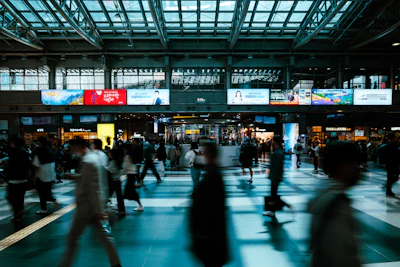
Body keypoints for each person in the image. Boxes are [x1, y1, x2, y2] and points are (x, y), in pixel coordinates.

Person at [59, 137, 121, 267]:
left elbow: (94, 187)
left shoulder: (88, 162)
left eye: (73, 148)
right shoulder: (96, 157)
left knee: (72, 238)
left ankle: (64, 265)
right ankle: (116, 264)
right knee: (106, 237)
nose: (73, 152)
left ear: (78, 147)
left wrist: (99, 210)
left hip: (86, 208)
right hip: (96, 207)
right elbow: (94, 182)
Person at [308, 141, 362, 267]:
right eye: (355, 164)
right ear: (341, 166)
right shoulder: (337, 204)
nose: (358, 170)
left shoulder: (323, 192)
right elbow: (341, 256)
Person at [189, 142, 228, 267]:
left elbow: (213, 207)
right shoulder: (213, 173)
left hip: (209, 235)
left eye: (205, 152)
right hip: (210, 234)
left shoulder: (213, 175)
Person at [263, 135, 292, 218]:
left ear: (275, 142)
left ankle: (283, 206)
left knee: (273, 194)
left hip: (275, 176)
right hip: (276, 176)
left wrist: (273, 174)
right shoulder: (278, 151)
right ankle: (273, 210)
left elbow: (277, 166)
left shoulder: (278, 153)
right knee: (273, 193)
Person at [4, 137, 31, 223]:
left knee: (10, 197)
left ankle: (17, 214)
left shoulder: (12, 153)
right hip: (23, 179)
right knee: (20, 197)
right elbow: (28, 165)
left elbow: (9, 166)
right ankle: (20, 213)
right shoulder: (24, 152)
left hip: (13, 179)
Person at [32, 136, 58, 215]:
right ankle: (53, 201)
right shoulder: (50, 151)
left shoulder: (38, 152)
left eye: (38, 143)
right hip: (50, 175)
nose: (37, 144)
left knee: (41, 193)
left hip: (41, 176)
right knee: (47, 191)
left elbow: (36, 165)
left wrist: (34, 176)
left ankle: (43, 209)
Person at [123, 143, 144, 211]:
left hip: (130, 175)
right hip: (132, 175)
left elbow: (125, 167)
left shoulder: (127, 157)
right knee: (129, 192)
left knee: (131, 192)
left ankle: (140, 205)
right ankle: (120, 205)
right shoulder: (133, 156)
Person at [107, 149, 125, 215]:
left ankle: (101, 209)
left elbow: (109, 171)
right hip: (118, 180)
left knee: (107, 195)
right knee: (119, 196)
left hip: (112, 182)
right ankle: (122, 209)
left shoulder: (113, 162)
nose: (109, 155)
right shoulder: (119, 162)